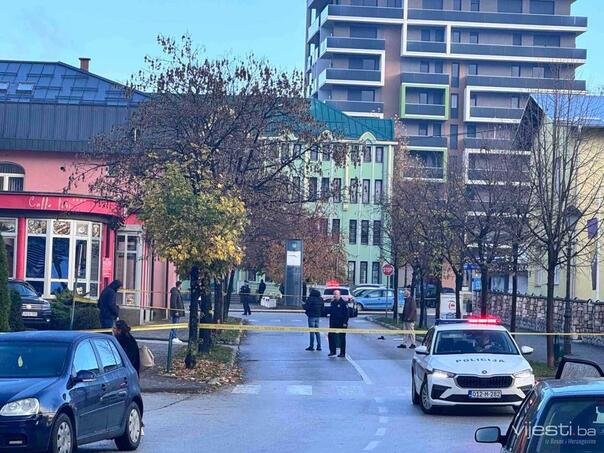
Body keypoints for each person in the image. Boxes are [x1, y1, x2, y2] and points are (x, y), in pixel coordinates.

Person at [327, 289, 349, 357]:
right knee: (331, 336)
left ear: (339, 295)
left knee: (342, 338)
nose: (335, 295)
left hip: (341, 323)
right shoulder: (333, 303)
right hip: (333, 323)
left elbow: (347, 314)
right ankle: (332, 351)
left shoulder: (343, 303)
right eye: (334, 294)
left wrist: (345, 322)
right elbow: (331, 312)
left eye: (336, 294)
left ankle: (342, 353)